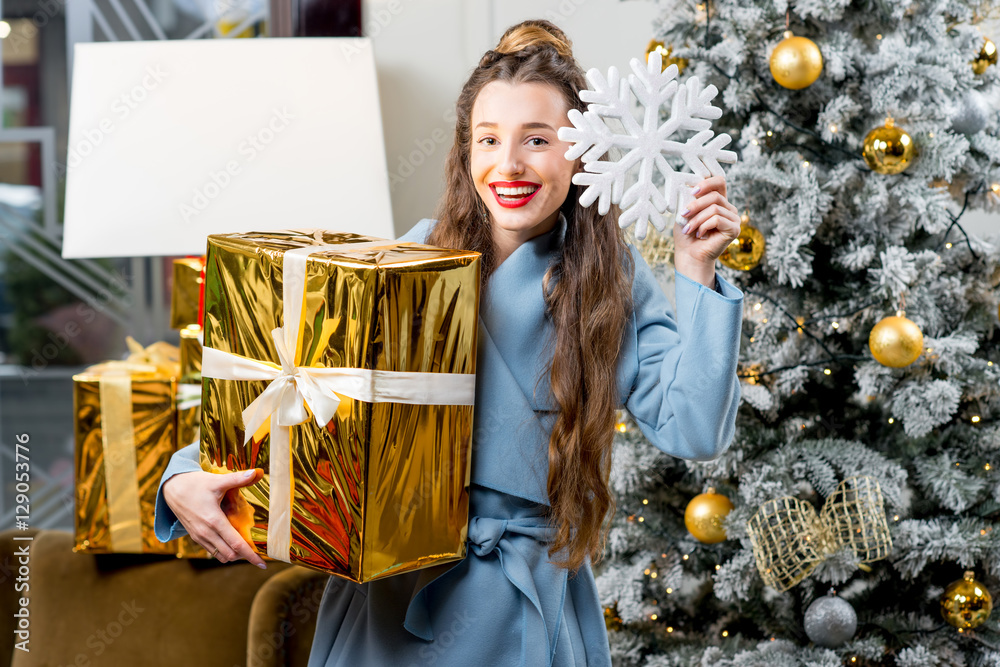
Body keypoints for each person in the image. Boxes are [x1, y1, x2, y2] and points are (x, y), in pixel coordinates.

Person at [155, 19, 744, 666]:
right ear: (466, 152)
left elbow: (693, 428)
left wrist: (697, 272)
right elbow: (303, 385)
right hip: (393, 602)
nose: (509, 164)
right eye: (487, 139)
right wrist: (186, 473)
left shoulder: (611, 284)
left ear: (582, 154)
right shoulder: (413, 257)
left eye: (538, 139)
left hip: (524, 609)